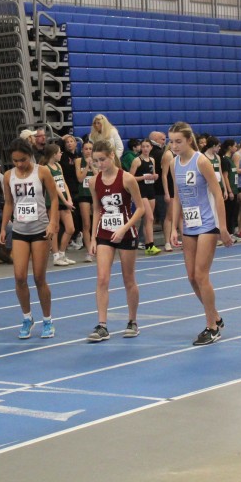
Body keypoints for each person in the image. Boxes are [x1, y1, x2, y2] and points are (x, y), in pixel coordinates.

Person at [167, 122, 232, 345]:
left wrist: (223, 227)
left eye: (178, 141)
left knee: (201, 275)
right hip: (189, 225)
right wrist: (174, 227)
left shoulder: (201, 161)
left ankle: (211, 327)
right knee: (192, 277)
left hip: (207, 223)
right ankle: (215, 316)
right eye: (171, 141)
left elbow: (218, 193)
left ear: (189, 140)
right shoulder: (174, 163)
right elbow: (177, 196)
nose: (174, 146)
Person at [0, 137, 60, 339]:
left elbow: (54, 199)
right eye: (15, 161)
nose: (19, 164)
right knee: (19, 277)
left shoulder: (42, 172)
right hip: (20, 230)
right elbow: (9, 203)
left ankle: (47, 320)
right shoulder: (8, 176)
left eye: (23, 160)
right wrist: (3, 228)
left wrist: (53, 222)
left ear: (30, 156)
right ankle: (27, 318)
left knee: (39, 278)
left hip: (40, 230)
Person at [87, 139, 144, 342]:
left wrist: (124, 228)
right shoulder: (94, 181)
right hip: (104, 233)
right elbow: (96, 209)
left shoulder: (127, 179)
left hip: (126, 233)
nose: (99, 164)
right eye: (95, 161)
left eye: (102, 159)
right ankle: (102, 325)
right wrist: (93, 237)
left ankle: (132, 321)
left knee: (129, 279)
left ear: (112, 156)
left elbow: (141, 208)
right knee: (102, 279)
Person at [43, 143, 77, 266]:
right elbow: (55, 187)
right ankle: (56, 256)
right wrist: (65, 201)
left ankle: (62, 253)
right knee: (55, 228)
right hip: (53, 201)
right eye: (59, 152)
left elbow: (63, 183)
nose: (61, 154)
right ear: (53, 154)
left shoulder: (58, 166)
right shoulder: (46, 168)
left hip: (64, 200)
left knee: (70, 228)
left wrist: (69, 198)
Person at [129, 139, 160, 255]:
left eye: (147, 146)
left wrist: (155, 176)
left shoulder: (152, 160)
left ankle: (148, 245)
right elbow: (130, 178)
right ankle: (150, 244)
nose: (145, 149)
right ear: (141, 148)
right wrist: (143, 177)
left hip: (150, 189)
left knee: (148, 220)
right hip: (141, 191)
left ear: (151, 147)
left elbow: (153, 174)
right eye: (143, 146)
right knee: (150, 218)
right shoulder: (137, 161)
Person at [75, 141, 96, 262]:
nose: (88, 151)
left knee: (97, 223)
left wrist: (92, 165)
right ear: (82, 150)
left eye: (90, 149)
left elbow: (99, 176)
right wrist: (87, 166)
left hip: (95, 194)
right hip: (84, 194)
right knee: (86, 224)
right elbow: (80, 178)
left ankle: (97, 246)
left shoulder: (97, 160)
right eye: (86, 149)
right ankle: (89, 252)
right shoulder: (79, 161)